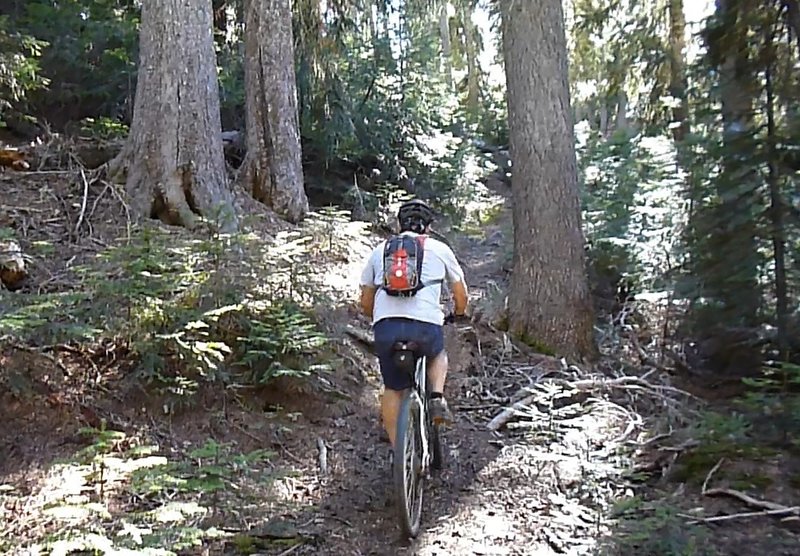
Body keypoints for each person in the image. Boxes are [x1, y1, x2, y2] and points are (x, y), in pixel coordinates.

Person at [358, 199, 469, 448]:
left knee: (392, 388)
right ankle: (437, 397)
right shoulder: (440, 250)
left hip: (387, 326)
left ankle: (400, 454)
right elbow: (461, 294)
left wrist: (375, 316)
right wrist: (459, 313)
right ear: (428, 227)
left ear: (399, 225)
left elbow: (365, 299)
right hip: (425, 326)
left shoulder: (380, 250)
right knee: (437, 354)